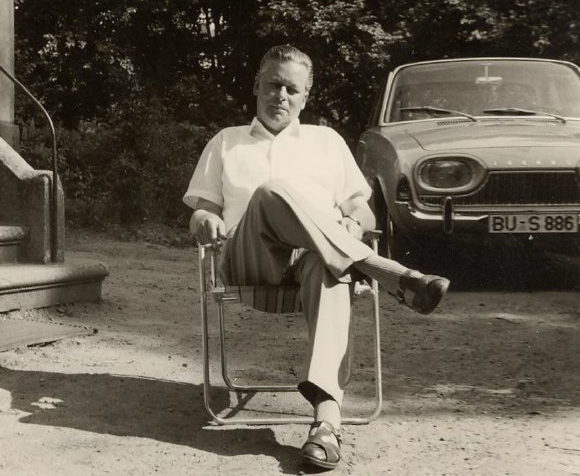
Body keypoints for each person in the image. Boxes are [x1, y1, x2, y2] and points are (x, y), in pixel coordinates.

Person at [183, 44, 449, 471]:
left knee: (330, 268)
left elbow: (361, 210)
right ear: (256, 86)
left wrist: (354, 225)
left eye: (292, 89)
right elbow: (202, 210)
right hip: (250, 260)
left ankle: (326, 423)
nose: (281, 96)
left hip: (317, 260)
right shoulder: (226, 142)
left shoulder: (326, 142)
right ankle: (385, 271)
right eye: (273, 85)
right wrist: (204, 219)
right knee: (270, 192)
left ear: (306, 97)